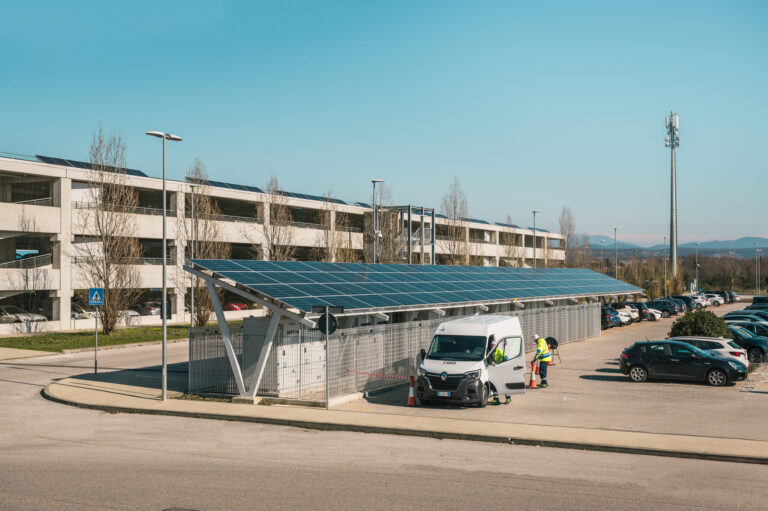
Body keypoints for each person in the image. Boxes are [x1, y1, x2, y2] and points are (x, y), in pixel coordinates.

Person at [487, 338, 511, 404]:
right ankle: (496, 399)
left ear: (496, 346)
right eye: (492, 345)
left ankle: (508, 398)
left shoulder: (499, 351)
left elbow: (506, 357)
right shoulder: (489, 352)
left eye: (494, 345)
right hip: (493, 370)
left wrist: (505, 358)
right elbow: (488, 359)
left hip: (500, 370)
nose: (493, 346)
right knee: (494, 385)